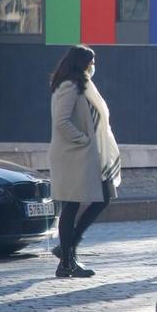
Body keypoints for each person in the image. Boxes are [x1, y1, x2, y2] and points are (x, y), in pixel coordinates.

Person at [49, 45, 120, 278]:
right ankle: (66, 263)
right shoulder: (69, 86)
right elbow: (61, 121)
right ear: (81, 63)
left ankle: (66, 249)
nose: (93, 65)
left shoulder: (84, 85)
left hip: (87, 156)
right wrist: (84, 139)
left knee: (105, 195)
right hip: (73, 156)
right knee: (70, 205)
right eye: (91, 60)